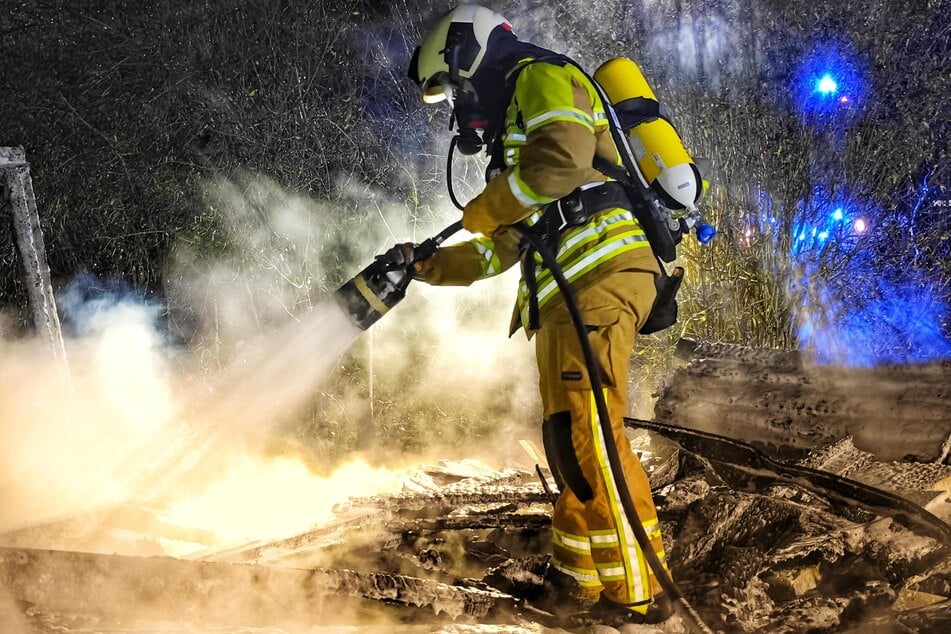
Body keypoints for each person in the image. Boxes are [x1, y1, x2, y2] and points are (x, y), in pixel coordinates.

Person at [404, 4, 669, 624]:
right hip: (563, 296)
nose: (456, 109)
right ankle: (577, 584)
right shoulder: (509, 138)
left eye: (452, 90)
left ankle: (639, 599)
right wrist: (430, 266)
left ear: (463, 53)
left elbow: (565, 162)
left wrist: (490, 204)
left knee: (593, 439)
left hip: (600, 277)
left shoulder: (538, 76)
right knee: (569, 444)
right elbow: (505, 246)